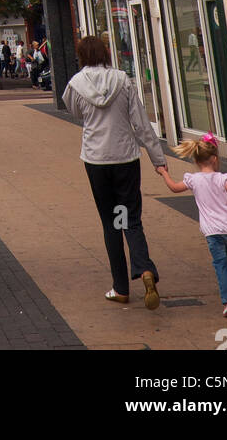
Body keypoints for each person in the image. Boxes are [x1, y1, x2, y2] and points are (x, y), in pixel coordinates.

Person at [63, 36, 165, 309]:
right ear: (105, 54)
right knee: (130, 217)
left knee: (111, 223)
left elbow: (75, 113)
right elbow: (141, 123)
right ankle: (144, 268)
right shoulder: (123, 80)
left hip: (96, 160)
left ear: (82, 56)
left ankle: (120, 287)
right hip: (125, 157)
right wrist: (158, 158)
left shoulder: (75, 84)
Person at [156, 133, 227, 318]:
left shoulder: (193, 180)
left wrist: (164, 173)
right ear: (215, 158)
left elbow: (173, 187)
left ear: (196, 160)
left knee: (220, 264)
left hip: (212, 231)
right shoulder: (222, 178)